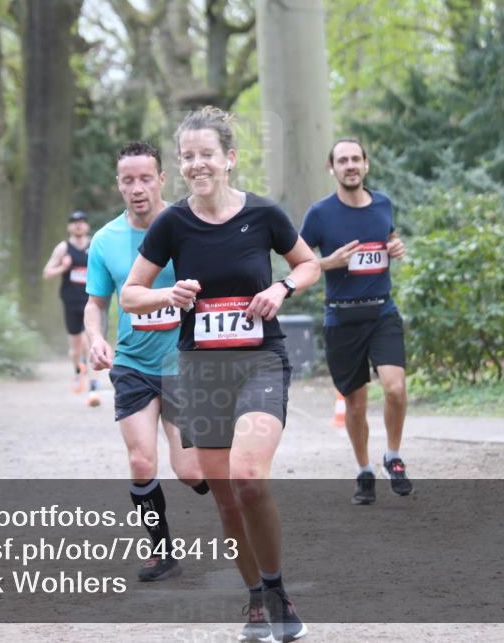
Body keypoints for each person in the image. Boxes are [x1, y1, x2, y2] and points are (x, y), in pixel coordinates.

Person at [121, 107, 320, 643]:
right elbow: (131, 295)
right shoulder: (172, 223)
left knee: (250, 477)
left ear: (229, 159)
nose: (197, 164)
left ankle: (277, 589)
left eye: (207, 154)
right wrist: (168, 293)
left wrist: (282, 289)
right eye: (188, 156)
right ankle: (256, 597)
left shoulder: (264, 214)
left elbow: (309, 263)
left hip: (260, 361)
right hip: (201, 368)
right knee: (227, 496)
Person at [84, 141, 208, 582]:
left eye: (145, 178)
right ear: (118, 185)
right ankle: (162, 552)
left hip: (185, 363)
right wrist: (96, 337)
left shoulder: (190, 226)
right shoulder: (105, 240)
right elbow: (96, 302)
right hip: (133, 363)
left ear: (162, 179)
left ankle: (232, 492)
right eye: (127, 180)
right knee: (141, 462)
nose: (137, 188)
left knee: (190, 469)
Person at [299, 137, 411, 505]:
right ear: (331, 168)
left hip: (382, 310)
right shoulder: (319, 214)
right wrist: (330, 262)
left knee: (395, 388)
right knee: (356, 403)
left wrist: (396, 246)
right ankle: (364, 470)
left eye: (355, 159)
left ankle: (393, 457)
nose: (350, 166)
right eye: (342, 160)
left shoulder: (383, 203)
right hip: (342, 318)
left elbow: (389, 238)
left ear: (366, 165)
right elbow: (299, 263)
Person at [43, 210, 100, 406]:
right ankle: (78, 370)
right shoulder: (63, 248)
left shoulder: (95, 245)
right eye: (75, 222)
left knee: (89, 342)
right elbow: (47, 273)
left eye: (82, 222)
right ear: (69, 227)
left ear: (87, 226)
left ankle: (93, 386)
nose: (79, 225)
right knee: (75, 348)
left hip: (91, 302)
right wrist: (63, 268)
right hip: (70, 301)